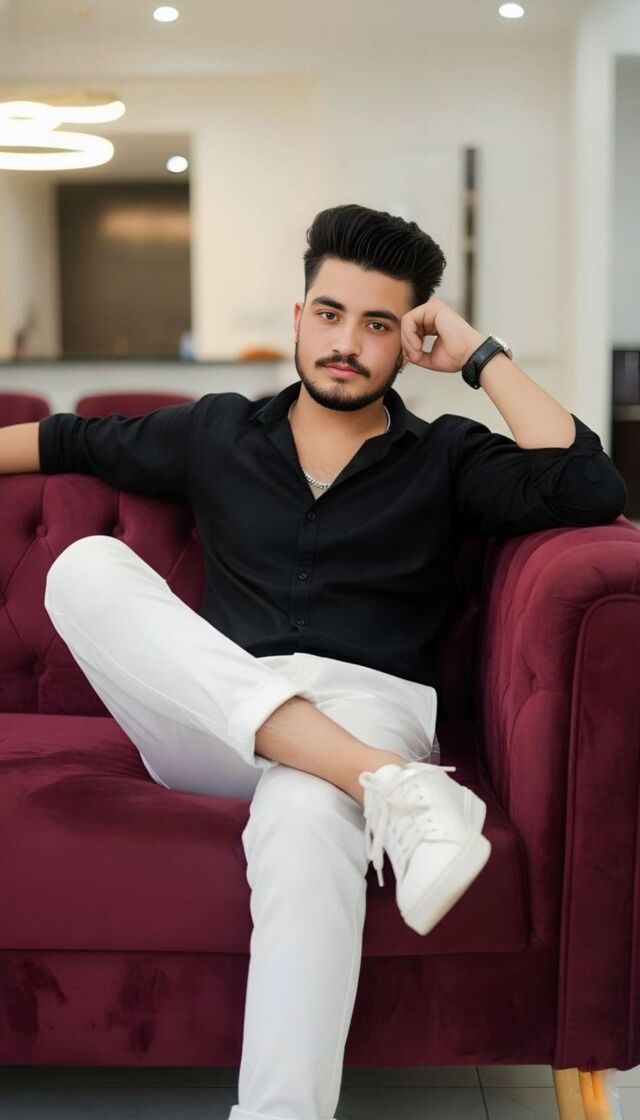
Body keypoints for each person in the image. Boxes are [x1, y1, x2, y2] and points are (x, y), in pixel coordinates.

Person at [2, 203, 628, 1120]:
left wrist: (480, 356)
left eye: (377, 324)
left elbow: (588, 485)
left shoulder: (446, 456)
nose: (346, 343)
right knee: (84, 567)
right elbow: (60, 439)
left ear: (409, 340)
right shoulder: (216, 432)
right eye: (330, 315)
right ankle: (391, 787)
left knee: (304, 815)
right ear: (299, 318)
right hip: (215, 724)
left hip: (368, 705)